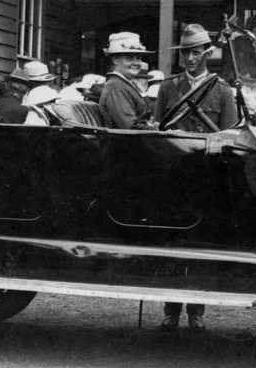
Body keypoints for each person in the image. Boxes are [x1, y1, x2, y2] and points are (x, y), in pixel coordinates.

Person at [154, 24, 237, 331]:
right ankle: (170, 310)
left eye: (196, 52)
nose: (190, 58)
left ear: (208, 54)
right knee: (173, 246)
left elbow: (230, 138)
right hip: (174, 178)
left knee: (201, 248)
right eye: (186, 52)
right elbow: (157, 130)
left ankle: (196, 312)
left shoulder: (221, 90)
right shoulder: (168, 87)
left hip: (206, 178)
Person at [99, 32, 156, 130]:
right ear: (115, 60)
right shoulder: (116, 87)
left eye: (138, 58)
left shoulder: (126, 85)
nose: (135, 63)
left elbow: (148, 114)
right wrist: (156, 129)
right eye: (129, 58)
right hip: (126, 144)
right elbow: (130, 128)